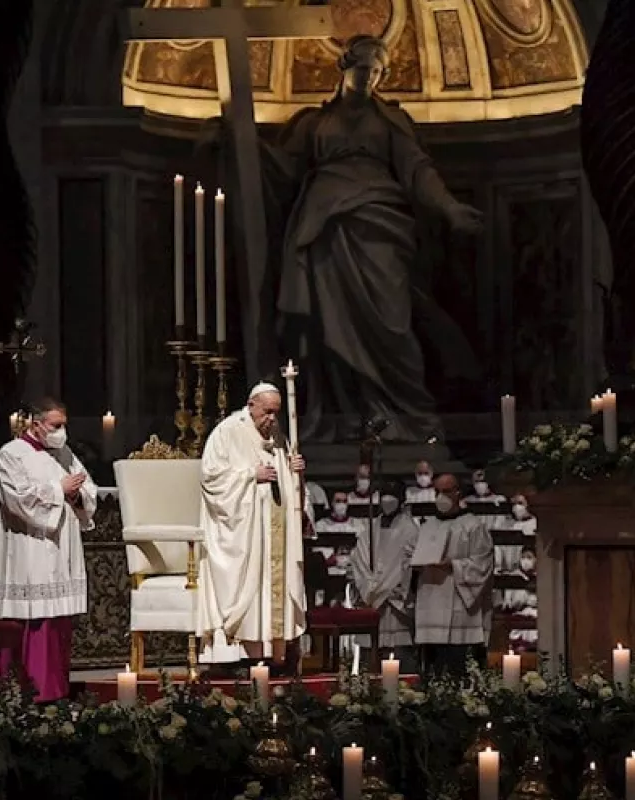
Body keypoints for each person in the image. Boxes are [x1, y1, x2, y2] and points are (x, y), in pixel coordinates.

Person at [264, 34, 484, 443]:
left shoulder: (390, 121)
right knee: (326, 326)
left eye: (377, 72)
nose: (369, 78)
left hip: (380, 226)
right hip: (324, 229)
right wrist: (234, 139)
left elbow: (418, 171)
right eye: (362, 69)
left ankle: (407, 417)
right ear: (345, 69)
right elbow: (279, 168)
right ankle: (344, 416)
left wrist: (450, 208)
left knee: (391, 324)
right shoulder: (314, 123)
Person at [195, 382, 308, 673]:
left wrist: (294, 472)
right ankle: (237, 651)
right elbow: (210, 479)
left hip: (272, 528)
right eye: (267, 412)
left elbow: (285, 484)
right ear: (251, 405)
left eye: (276, 413)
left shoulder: (278, 437)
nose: (272, 419)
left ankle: (274, 650)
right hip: (242, 531)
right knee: (243, 580)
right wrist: (249, 475)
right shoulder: (227, 431)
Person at [0, 397, 97, 702]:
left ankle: (56, 690)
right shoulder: (11, 455)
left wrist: (77, 497)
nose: (62, 432)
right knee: (32, 620)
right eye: (56, 425)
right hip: (29, 548)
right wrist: (59, 490)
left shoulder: (64, 454)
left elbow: (88, 489)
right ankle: (22, 691)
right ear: (36, 424)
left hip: (60, 547)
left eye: (64, 425)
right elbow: (18, 501)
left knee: (57, 622)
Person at [413, 474, 494, 674]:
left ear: (458, 492)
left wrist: (453, 565)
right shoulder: (427, 526)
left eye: (446, 491)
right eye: (437, 491)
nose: (441, 496)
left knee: (461, 670)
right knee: (433, 672)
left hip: (460, 609)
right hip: (430, 606)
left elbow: (483, 563)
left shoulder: (473, 525)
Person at [352, 479, 421, 672]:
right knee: (370, 659)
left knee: (399, 659)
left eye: (392, 496)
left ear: (401, 500)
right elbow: (359, 558)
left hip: (395, 604)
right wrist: (370, 586)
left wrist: (385, 587)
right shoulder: (371, 528)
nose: (387, 500)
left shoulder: (410, 530)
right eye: (384, 496)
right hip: (372, 599)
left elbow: (408, 565)